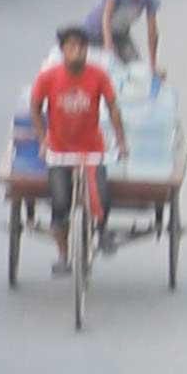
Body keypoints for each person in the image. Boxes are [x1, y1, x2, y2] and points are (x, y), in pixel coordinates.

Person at [25, 20, 121, 276]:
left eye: (81, 47)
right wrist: (43, 138)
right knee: (59, 203)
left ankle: (101, 233)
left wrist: (121, 141)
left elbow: (112, 107)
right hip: (59, 151)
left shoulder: (98, 75)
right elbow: (34, 107)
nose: (76, 51)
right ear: (63, 50)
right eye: (71, 47)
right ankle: (64, 255)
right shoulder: (48, 77)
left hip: (91, 150)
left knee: (102, 195)